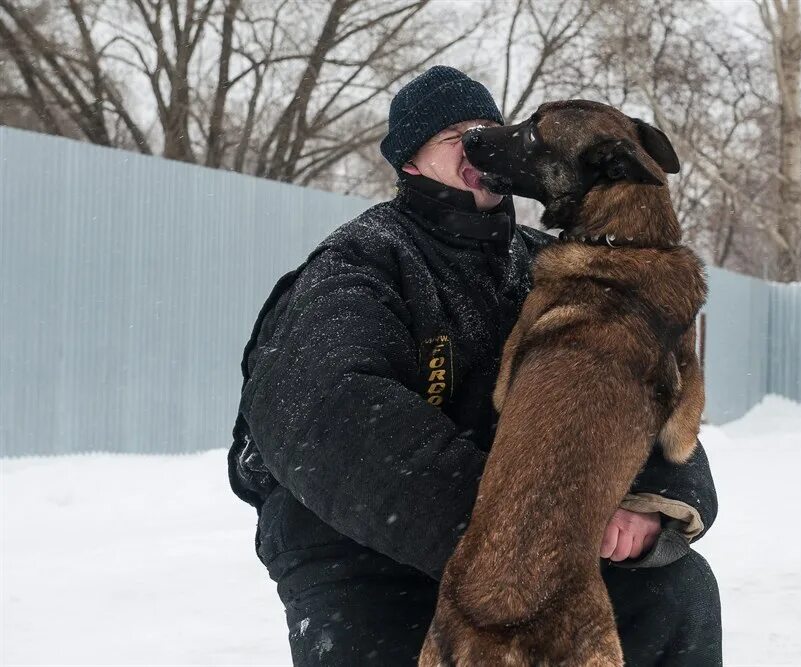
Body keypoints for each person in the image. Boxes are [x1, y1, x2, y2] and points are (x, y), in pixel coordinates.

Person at [229, 65, 722, 666]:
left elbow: (649, 394)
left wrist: (654, 507)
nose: (483, 141)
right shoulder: (360, 264)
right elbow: (324, 415)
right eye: (457, 134)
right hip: (366, 557)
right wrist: (511, 529)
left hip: (542, 550)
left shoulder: (566, 266)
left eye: (490, 127)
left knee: (676, 592)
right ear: (411, 161)